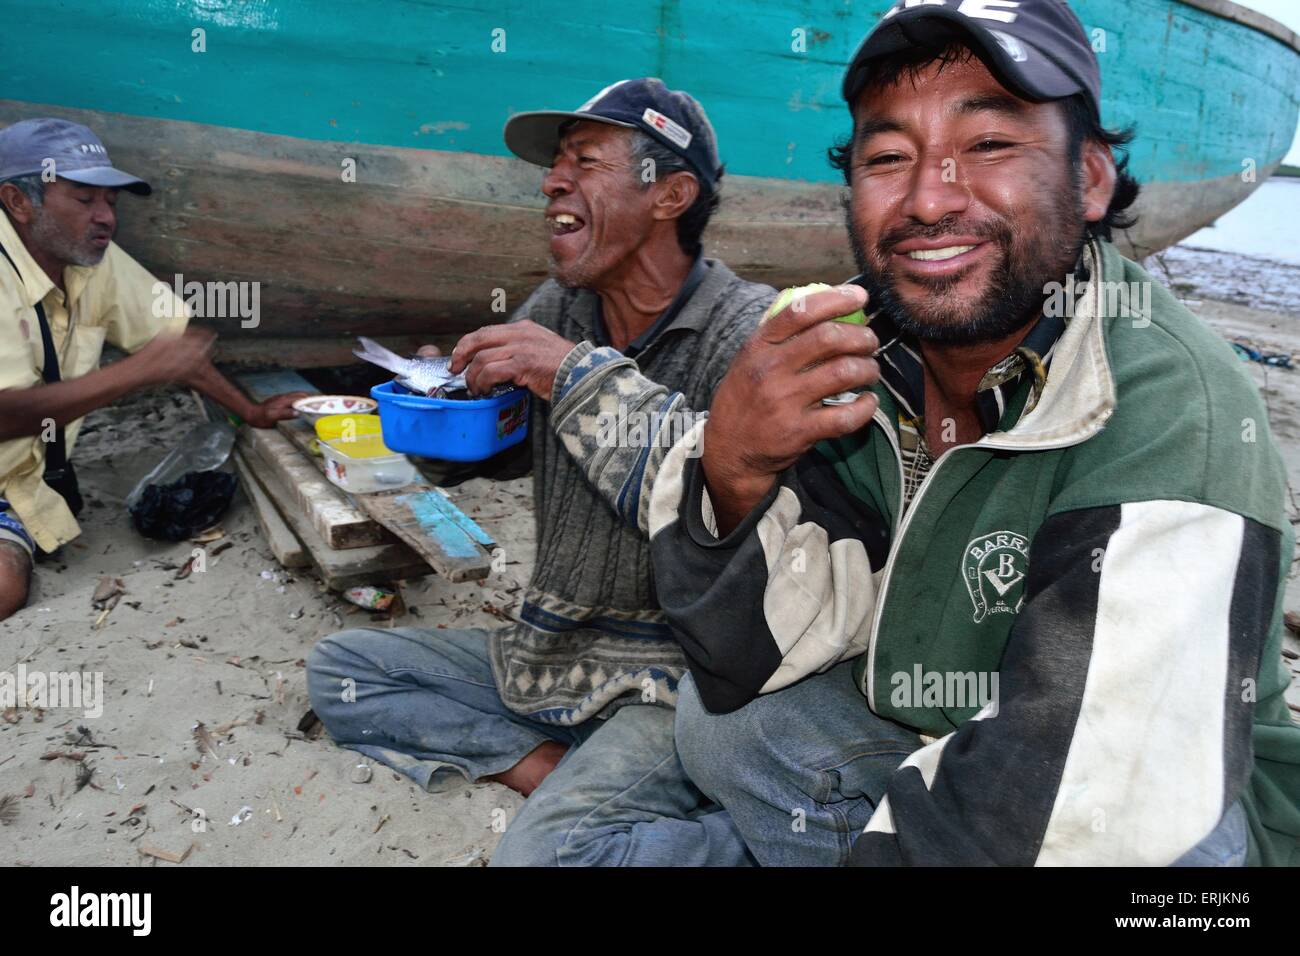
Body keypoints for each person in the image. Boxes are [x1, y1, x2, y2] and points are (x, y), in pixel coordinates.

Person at [647, 0, 1300, 865]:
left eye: (988, 146)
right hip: (950, 735)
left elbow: (1084, 798)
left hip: (1163, 820)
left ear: (1092, 179)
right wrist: (731, 468)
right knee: (723, 721)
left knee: (1177, 852)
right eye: (888, 157)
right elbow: (755, 653)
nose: (927, 198)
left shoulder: (1174, 410)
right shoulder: (853, 358)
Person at [307, 79, 775, 865]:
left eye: (584, 162)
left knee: (540, 859)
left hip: (676, 683)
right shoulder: (558, 309)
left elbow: (716, 504)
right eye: (555, 167)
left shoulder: (747, 330)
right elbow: (497, 453)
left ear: (671, 195)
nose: (552, 182)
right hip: (551, 654)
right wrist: (444, 409)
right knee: (344, 670)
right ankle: (550, 770)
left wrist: (571, 376)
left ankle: (767, 838)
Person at [0, 118, 306, 622]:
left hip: (18, 491)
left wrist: (249, 412)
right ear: (18, 202)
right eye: (84, 200)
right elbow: (5, 415)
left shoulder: (93, 262)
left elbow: (173, 347)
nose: (106, 219)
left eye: (111, 203)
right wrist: (136, 372)